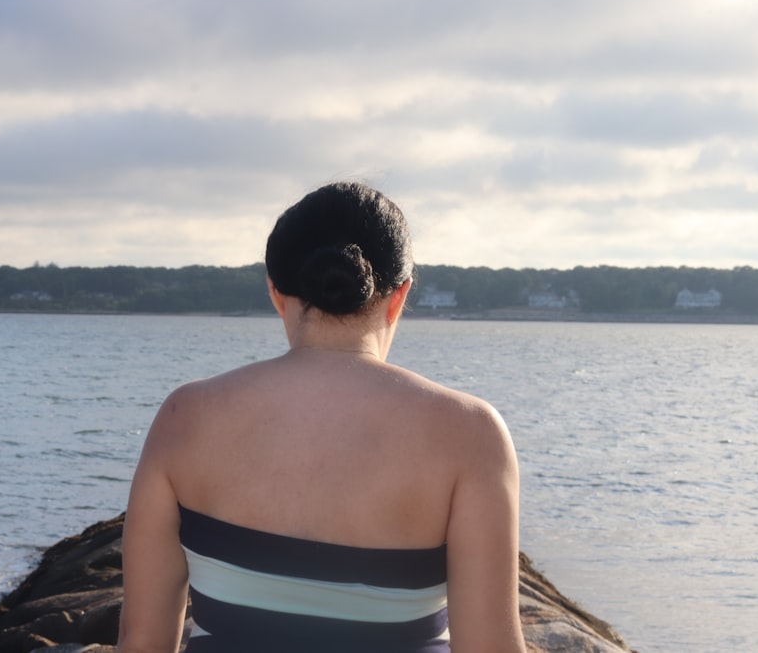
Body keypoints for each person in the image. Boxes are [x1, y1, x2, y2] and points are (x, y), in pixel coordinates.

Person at [117, 182, 526, 653]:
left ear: (276, 292)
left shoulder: (185, 416)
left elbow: (142, 640)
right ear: (399, 296)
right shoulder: (470, 433)